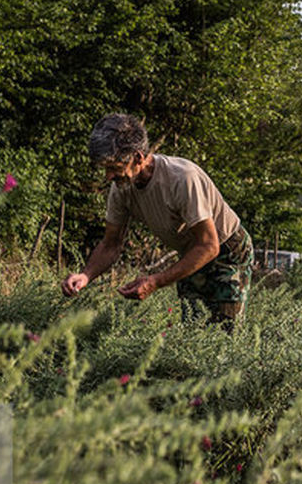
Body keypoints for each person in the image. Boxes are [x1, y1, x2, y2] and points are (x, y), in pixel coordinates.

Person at [61, 113, 253, 329]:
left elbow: (209, 245)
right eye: (105, 169)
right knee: (193, 331)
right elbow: (110, 244)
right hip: (192, 251)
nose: (108, 176)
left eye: (114, 168)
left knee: (225, 333)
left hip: (227, 249)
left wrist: (155, 281)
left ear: (138, 158)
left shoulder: (182, 178)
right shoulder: (121, 189)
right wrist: (85, 276)